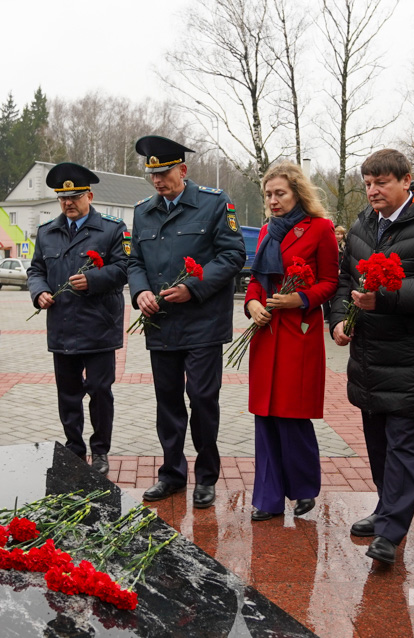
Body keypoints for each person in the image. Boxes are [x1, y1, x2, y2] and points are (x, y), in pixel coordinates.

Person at [329, 149, 414, 565]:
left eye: (382, 183)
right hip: (369, 355)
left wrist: (386, 297)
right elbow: (343, 280)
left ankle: (392, 530)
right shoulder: (361, 225)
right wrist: (339, 319)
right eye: (368, 183)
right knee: (377, 444)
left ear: (407, 181)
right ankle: (386, 508)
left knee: (404, 444)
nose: (372, 191)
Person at [128, 135, 245, 508]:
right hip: (161, 323)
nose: (158, 181)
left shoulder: (214, 203)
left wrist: (194, 287)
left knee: (202, 399)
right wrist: (140, 292)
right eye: (152, 175)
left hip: (202, 323)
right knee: (168, 402)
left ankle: (206, 476)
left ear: (183, 169)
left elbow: (233, 255)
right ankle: (172, 474)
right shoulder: (143, 211)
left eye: (164, 173)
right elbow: (135, 263)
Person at [244, 162, 339, 521]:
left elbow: (330, 281)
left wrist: (298, 300)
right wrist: (252, 303)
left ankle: (303, 489)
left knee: (293, 417)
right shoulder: (268, 228)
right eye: (268, 194)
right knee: (265, 416)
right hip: (266, 332)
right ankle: (267, 500)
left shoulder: (321, 229)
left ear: (297, 192)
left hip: (299, 333)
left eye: (279, 193)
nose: (273, 200)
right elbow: (256, 278)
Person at [27, 162, 128, 475]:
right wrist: (39, 291)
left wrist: (95, 279)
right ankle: (74, 448)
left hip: (99, 327)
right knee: (68, 394)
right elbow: (36, 270)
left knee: (99, 392)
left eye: (75, 196)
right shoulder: (47, 232)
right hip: (63, 325)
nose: (68, 202)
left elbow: (126, 268)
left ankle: (100, 452)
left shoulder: (112, 229)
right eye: (62, 197)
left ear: (90, 195)